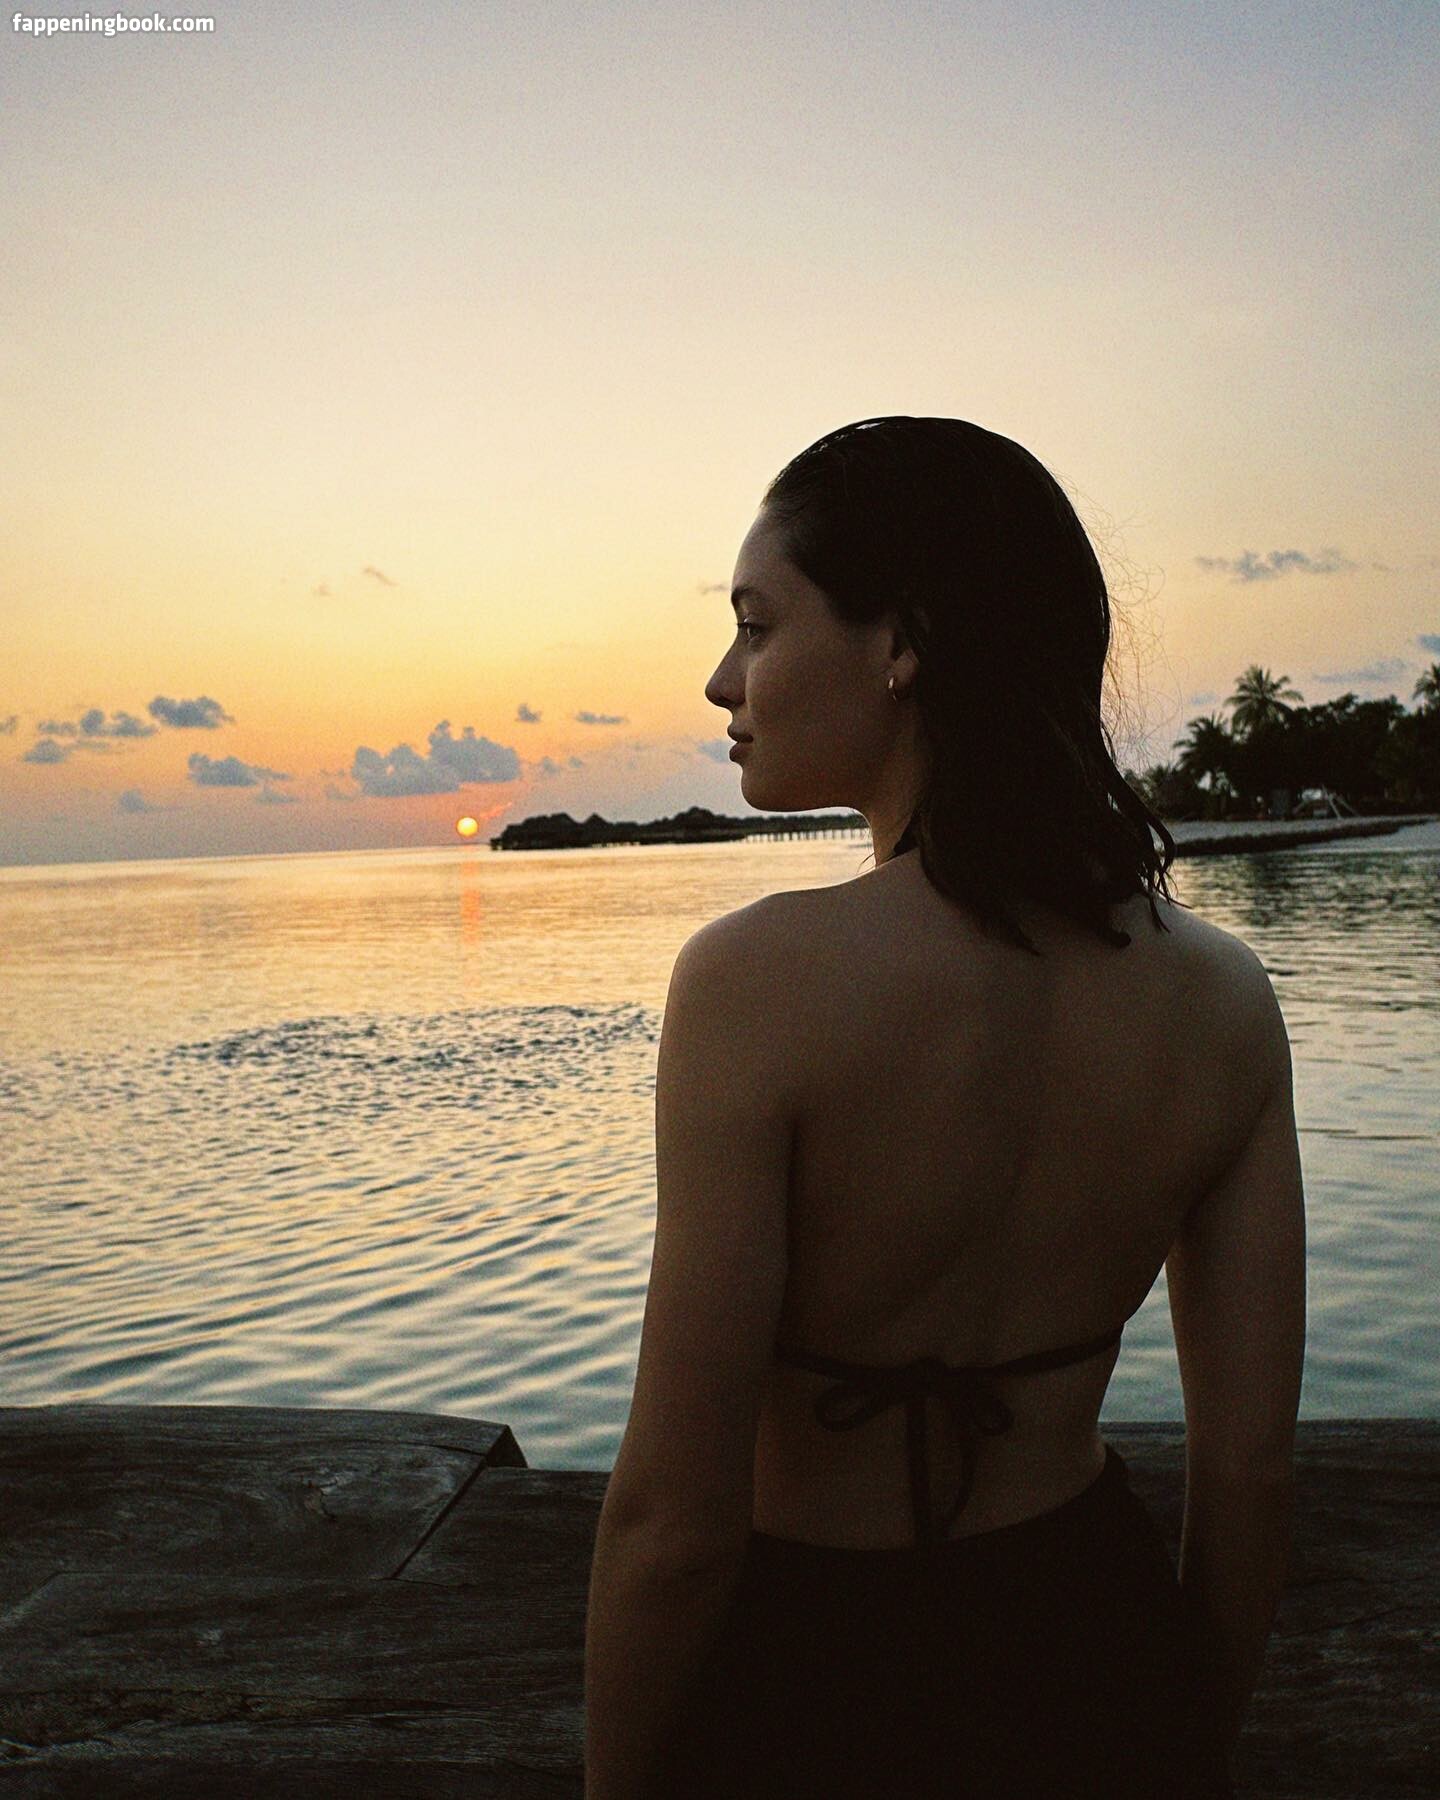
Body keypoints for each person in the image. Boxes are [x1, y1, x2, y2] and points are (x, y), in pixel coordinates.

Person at [583, 416, 1306, 1799]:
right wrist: (1186, 1747)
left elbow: (673, 1526)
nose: (723, 679)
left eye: (757, 625)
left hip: (815, 1676)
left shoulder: (753, 984)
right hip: (1097, 1658)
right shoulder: (1222, 998)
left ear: (902, 645)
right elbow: (1252, 1474)